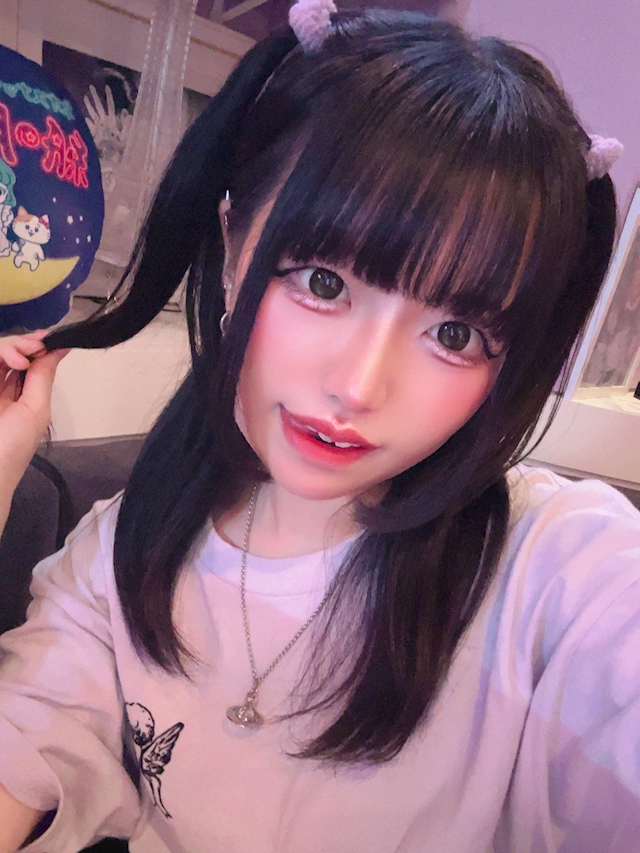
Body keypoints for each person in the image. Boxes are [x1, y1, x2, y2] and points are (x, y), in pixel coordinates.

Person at [0, 3, 636, 851]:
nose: (360, 386)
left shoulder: (559, 571)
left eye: (456, 334)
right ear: (233, 240)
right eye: (323, 282)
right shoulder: (116, 551)